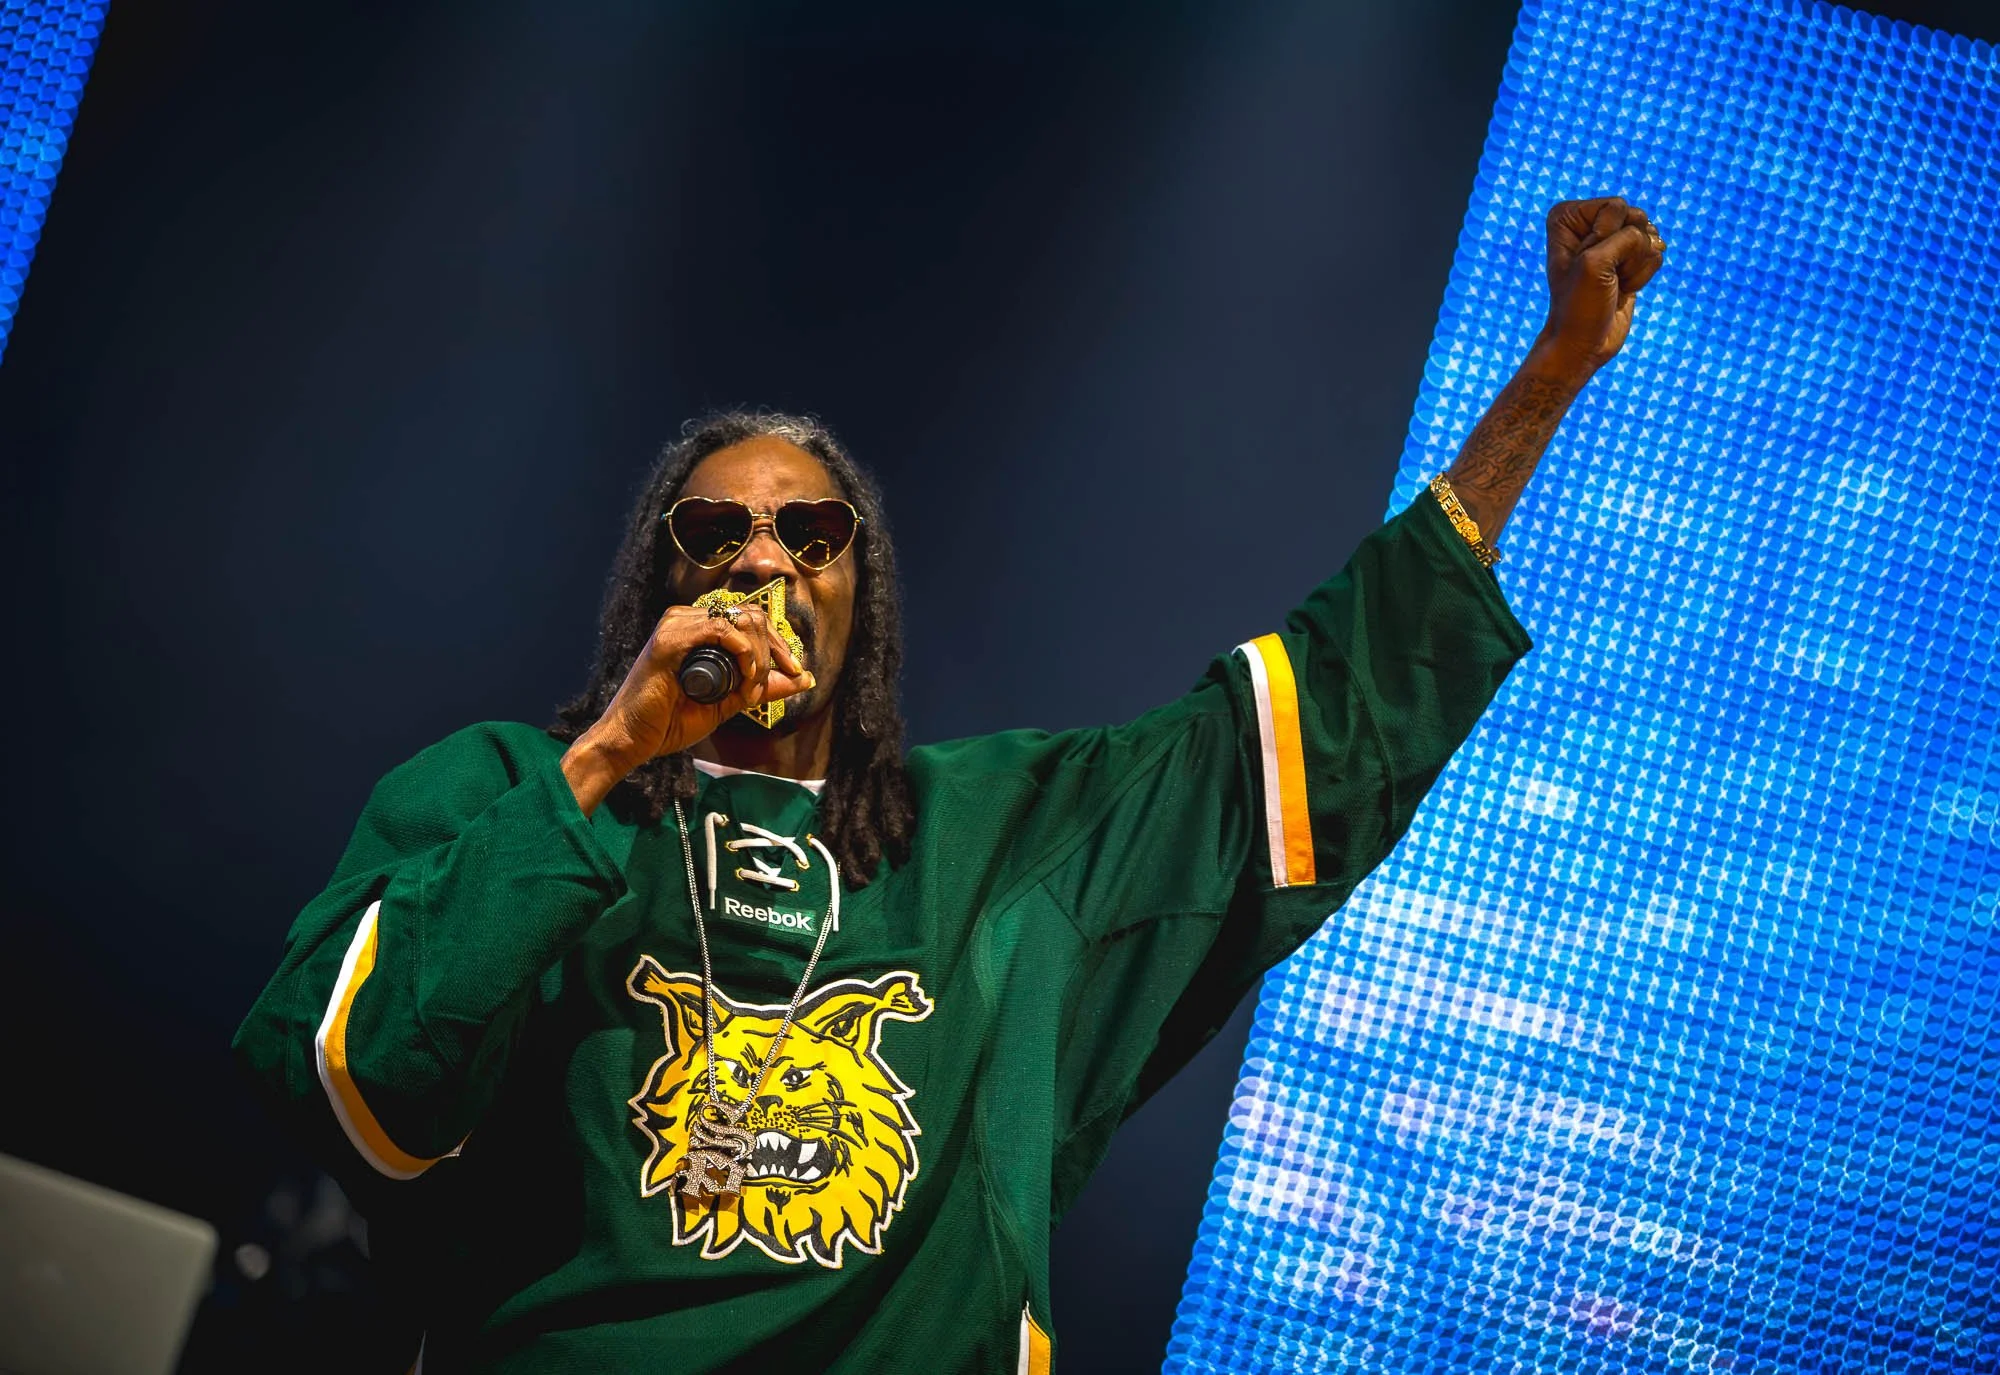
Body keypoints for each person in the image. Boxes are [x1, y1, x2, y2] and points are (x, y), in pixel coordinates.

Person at [234, 197, 1665, 1373]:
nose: (763, 556)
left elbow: (1309, 724)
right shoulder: (510, 789)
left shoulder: (1005, 831)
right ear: (656, 586)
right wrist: (610, 756)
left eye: (811, 531)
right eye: (715, 529)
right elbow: (358, 1084)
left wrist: (1546, 379)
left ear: (861, 596)